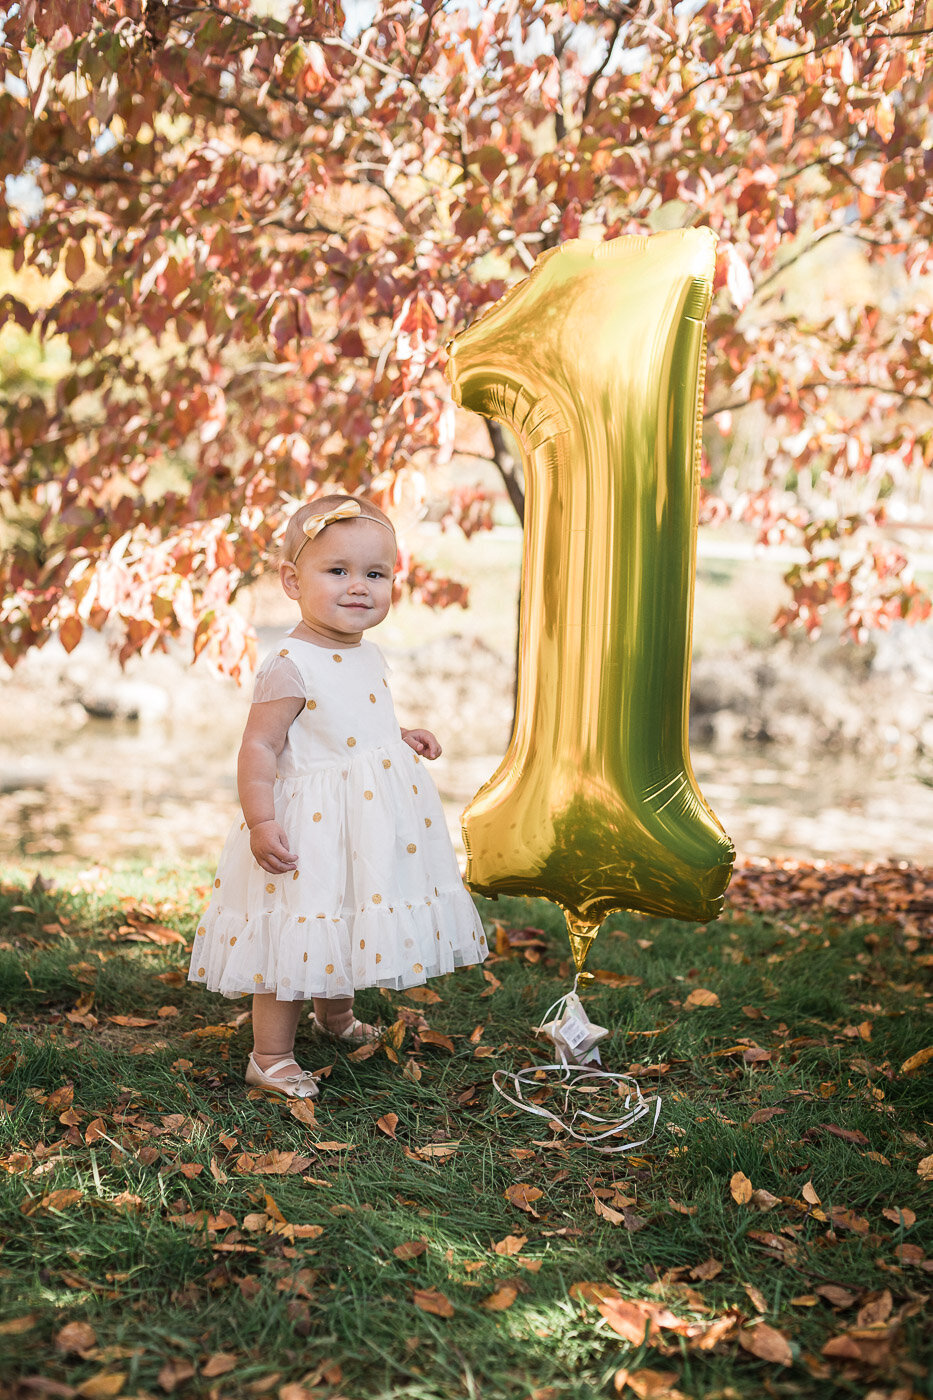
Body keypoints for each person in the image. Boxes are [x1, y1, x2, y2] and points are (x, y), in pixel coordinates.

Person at [188, 494, 489, 1098]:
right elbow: (259, 749)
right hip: (311, 827)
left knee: (344, 912)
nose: (359, 587)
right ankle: (270, 1056)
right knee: (297, 925)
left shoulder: (369, 653)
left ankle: (335, 1017)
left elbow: (350, 726)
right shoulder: (290, 663)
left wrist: (398, 738)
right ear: (292, 580)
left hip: (364, 822)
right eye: (338, 571)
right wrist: (260, 819)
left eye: (375, 574)